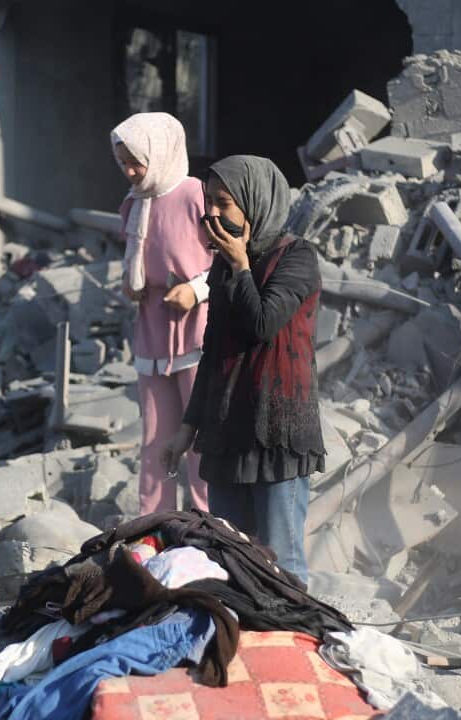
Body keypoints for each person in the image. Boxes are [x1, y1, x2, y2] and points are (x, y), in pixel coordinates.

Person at [163, 155, 325, 584]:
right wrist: (187, 427)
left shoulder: (297, 259)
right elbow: (213, 350)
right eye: (208, 203)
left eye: (223, 203)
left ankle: (294, 643)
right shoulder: (224, 265)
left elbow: (262, 325)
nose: (212, 214)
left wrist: (240, 266)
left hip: (276, 430)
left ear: (254, 203)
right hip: (227, 430)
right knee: (228, 555)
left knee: (280, 561)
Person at [112, 112, 213, 515]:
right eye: (124, 163)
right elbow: (132, 261)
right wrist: (129, 281)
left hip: (198, 334)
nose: (132, 171)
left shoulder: (195, 196)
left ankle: (214, 531)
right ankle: (154, 529)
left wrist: (196, 290)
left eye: (137, 160)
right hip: (152, 334)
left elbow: (232, 260)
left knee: (203, 440)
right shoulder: (133, 205)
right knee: (156, 440)